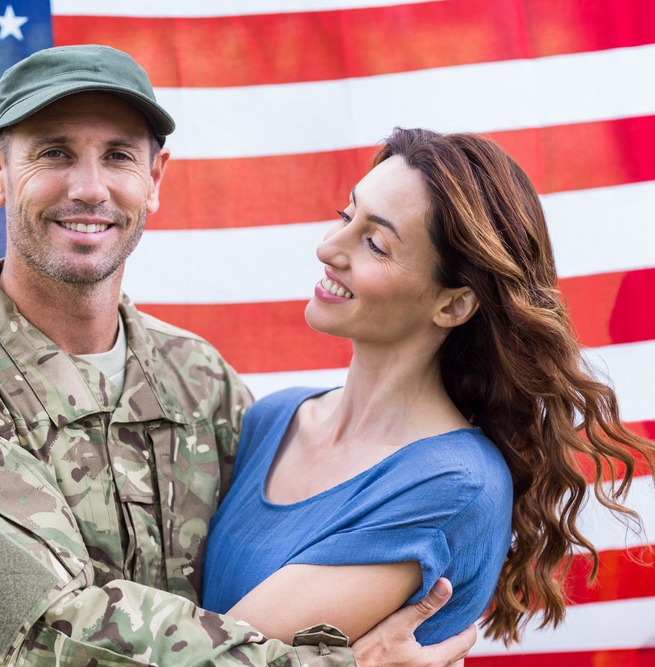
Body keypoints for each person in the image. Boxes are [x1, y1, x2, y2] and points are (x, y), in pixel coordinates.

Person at [0, 45, 475, 667]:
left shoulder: (202, 385)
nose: (89, 187)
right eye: (54, 154)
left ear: (155, 179)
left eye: (117, 157)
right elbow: (50, 636)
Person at [199, 127, 655, 647]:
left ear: (453, 304)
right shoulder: (273, 419)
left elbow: (219, 655)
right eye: (346, 216)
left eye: (374, 243)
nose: (328, 248)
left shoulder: (453, 485)